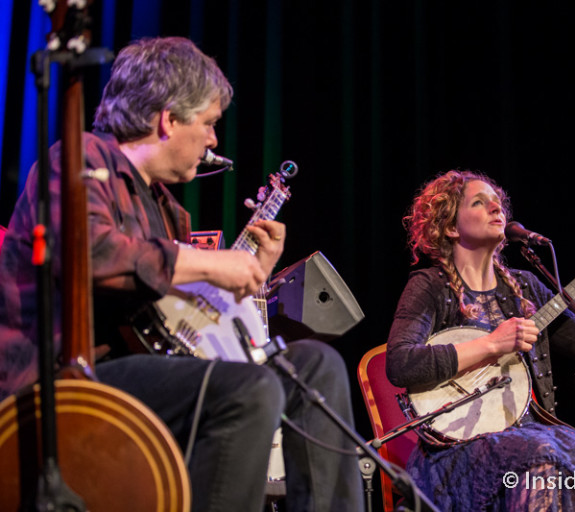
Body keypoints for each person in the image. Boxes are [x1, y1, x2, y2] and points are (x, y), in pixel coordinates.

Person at [0, 36, 363, 512]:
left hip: (155, 366)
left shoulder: (169, 210)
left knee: (317, 365)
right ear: (169, 120)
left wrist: (255, 271)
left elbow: (185, 318)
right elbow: (90, 252)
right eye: (209, 124)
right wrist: (212, 263)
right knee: (250, 390)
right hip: (69, 379)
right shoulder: (81, 158)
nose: (214, 140)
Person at [386, 170, 575, 511]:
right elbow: (400, 363)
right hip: (456, 453)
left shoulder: (525, 287)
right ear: (451, 227)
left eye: (498, 204)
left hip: (531, 437)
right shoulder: (429, 286)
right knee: (542, 453)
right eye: (480, 203)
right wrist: (493, 344)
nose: (496, 209)